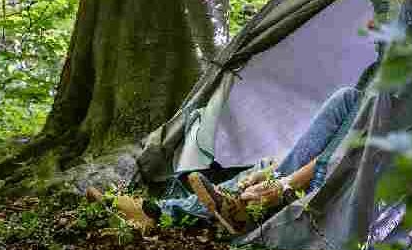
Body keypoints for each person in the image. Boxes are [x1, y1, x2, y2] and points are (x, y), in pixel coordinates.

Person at [94, 85, 363, 234]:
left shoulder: (387, 104)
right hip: (317, 172)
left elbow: (351, 156)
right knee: (348, 98)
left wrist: (283, 185)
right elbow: (329, 148)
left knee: (361, 109)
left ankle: (161, 212)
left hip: (337, 187)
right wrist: (270, 171)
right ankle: (164, 211)